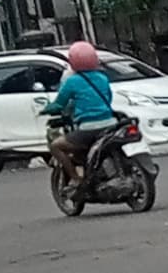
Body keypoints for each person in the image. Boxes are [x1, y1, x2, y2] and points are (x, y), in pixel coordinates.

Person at [45, 37, 123, 188]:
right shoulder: (102, 78)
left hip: (88, 129)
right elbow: (108, 97)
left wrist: (47, 109)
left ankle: (75, 178)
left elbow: (59, 104)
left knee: (55, 145)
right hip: (111, 125)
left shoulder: (71, 81)